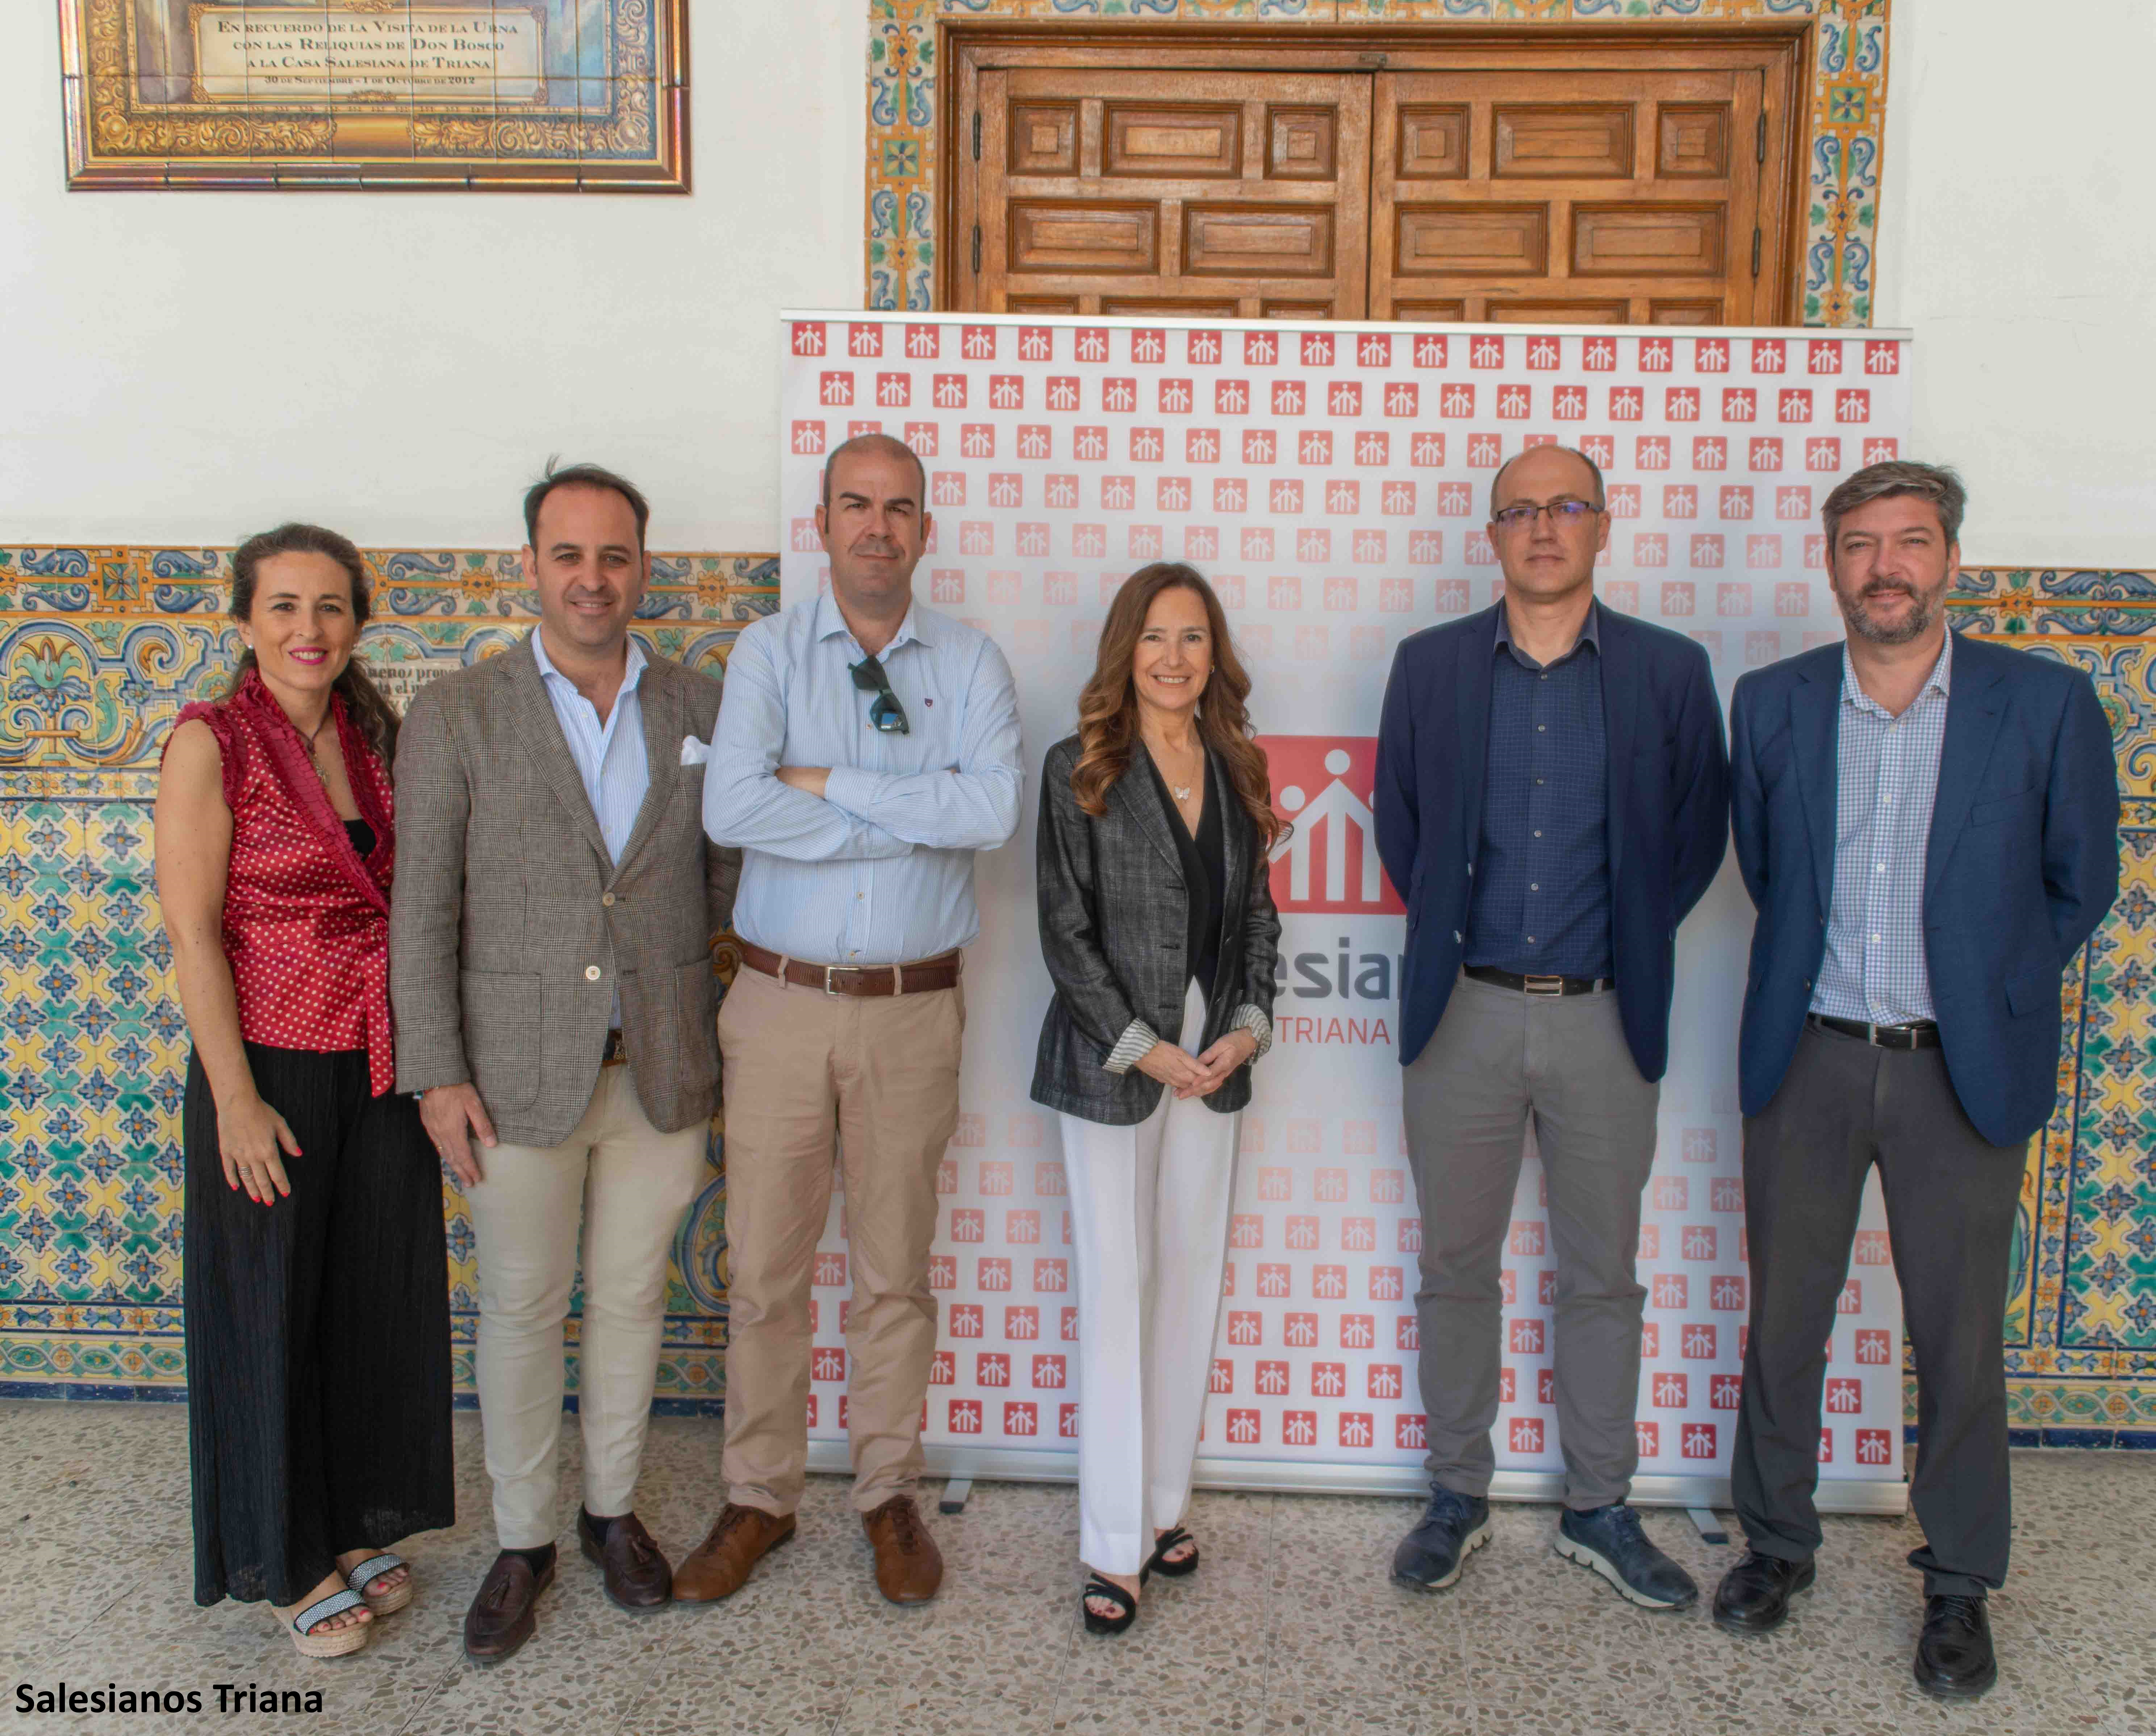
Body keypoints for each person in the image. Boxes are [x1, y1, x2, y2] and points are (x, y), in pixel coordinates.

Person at [1715, 461, 2119, 1698]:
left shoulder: (2042, 704)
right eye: (1859, 544)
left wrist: (1989, 985)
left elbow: (2079, 880)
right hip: (1814, 1055)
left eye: (1911, 541)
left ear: (1950, 560)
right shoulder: (1772, 700)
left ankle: (1958, 1583)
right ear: (1829, 562)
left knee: (1957, 1342)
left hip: (1962, 1071)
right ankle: (1778, 1544)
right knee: (1785, 1320)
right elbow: (1770, 871)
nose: (1884, 566)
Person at [389, 463, 740, 1664]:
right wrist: (436, 1071)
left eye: (615, 556)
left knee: (635, 1298)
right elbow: (422, 908)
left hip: (659, 1066)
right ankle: (525, 1540)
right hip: (508, 1077)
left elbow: (729, 877)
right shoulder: (460, 712)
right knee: (524, 1307)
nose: (593, 578)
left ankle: (611, 1515)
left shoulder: (703, 704)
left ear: (645, 568)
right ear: (529, 566)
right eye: (569, 556)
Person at [1373, 445, 1730, 1608]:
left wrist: (1623, 937)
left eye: (1565, 506)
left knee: (1602, 1278)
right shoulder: (1428, 668)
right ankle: (1456, 1493)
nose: (1542, 528)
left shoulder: (1670, 672)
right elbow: (1402, 833)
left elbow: (1689, 840)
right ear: (1493, 536)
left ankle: (1600, 1506)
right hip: (1464, 1013)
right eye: (1519, 511)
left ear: (1603, 524)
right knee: (1455, 1268)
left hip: (1603, 1017)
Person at [678, 432, 1022, 1608]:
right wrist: (905, 811)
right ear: (820, 524)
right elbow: (733, 809)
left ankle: (887, 1495)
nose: (878, 527)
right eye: (856, 506)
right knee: (765, 1272)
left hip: (912, 1014)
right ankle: (759, 1498)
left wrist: (823, 785)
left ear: (927, 529)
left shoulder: (972, 663)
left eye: (900, 508)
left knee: (894, 1273)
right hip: (778, 1005)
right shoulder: (768, 653)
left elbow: (990, 810)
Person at [156, 523, 453, 1660]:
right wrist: (233, 1097)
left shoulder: (371, 737)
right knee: (268, 1306)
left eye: (329, 608)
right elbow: (194, 932)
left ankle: (343, 1521)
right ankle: (281, 1556)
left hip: (373, 1059)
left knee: (362, 1299)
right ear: (244, 622)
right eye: (282, 607)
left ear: (359, 623)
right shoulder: (212, 744)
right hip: (267, 1063)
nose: (307, 630)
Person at [1030, 563, 1283, 1636]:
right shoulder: (1079, 767)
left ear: (1213, 656)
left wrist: (1247, 1027)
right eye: (1155, 638)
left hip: (1215, 1070)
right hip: (1111, 1071)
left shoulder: (1236, 762)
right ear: (1123, 652)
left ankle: (1165, 1508)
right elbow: (1065, 934)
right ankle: (1110, 1543)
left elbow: (1261, 922)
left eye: (1193, 638)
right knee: (1119, 1293)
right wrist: (1145, 1049)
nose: (1175, 658)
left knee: (1189, 1280)